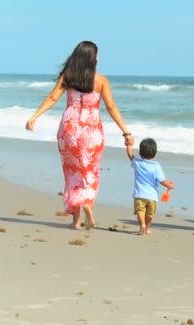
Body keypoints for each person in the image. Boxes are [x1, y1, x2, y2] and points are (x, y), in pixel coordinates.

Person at [25, 41, 134, 229]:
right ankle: (87, 203)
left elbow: (52, 98)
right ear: (92, 58)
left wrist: (34, 117)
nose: (99, 58)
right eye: (97, 55)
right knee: (90, 171)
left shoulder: (67, 77)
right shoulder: (101, 81)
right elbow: (111, 107)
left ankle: (75, 220)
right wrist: (126, 131)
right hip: (91, 129)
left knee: (72, 172)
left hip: (69, 128)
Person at [126, 138, 174, 235]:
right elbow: (161, 180)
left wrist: (129, 145)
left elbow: (130, 155)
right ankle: (147, 228)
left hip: (139, 194)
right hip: (152, 197)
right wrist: (169, 185)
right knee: (150, 214)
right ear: (155, 154)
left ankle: (142, 225)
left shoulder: (137, 163)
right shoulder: (156, 166)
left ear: (140, 152)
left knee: (140, 211)